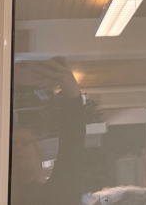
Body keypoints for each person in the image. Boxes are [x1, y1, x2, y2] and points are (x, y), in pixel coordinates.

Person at [12, 57, 86, 205]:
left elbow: (71, 154)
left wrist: (73, 96)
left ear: (38, 159)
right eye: (12, 145)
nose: (18, 149)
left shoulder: (49, 198)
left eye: (25, 143)